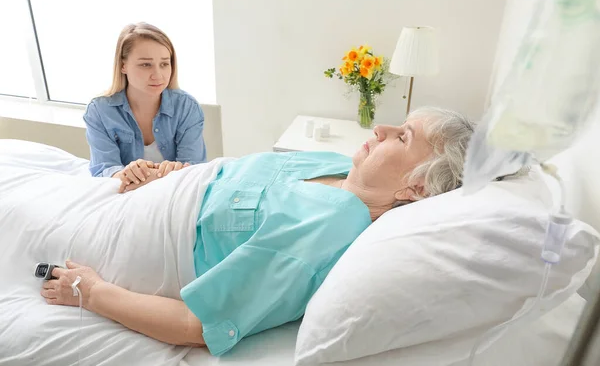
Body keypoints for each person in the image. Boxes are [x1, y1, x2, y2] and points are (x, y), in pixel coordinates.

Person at [42, 107, 475, 356]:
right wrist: (168, 174)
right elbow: (232, 185)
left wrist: (91, 292)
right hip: (127, 194)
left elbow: (196, 326)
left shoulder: (329, 226)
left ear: (414, 186)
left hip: (117, 239)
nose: (380, 129)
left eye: (401, 138)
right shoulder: (335, 163)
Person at [83, 22, 207, 192]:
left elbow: (194, 170)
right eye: (146, 64)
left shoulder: (186, 107)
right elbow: (104, 170)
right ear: (123, 65)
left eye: (164, 64)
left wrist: (143, 177)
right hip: (126, 200)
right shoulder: (99, 111)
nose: (158, 75)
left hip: (176, 195)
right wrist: (125, 174)